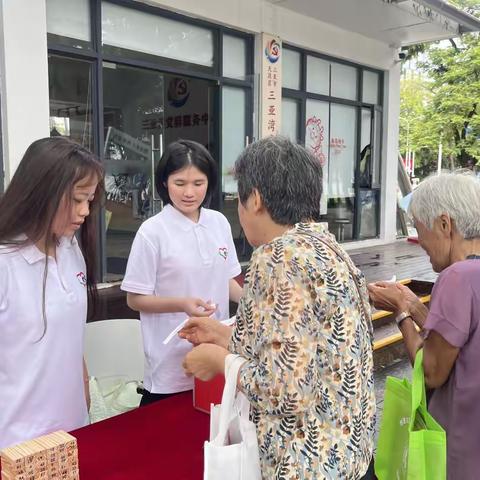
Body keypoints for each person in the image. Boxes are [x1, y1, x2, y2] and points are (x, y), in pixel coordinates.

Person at [181, 136, 376, 479]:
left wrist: (218, 361)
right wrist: (223, 336)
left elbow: (284, 390)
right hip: (349, 455)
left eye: (238, 200)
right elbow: (300, 347)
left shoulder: (278, 258)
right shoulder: (325, 245)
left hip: (307, 462)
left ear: (254, 199)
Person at [368, 171, 480, 480]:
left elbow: (431, 370)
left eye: (420, 230)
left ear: (445, 224)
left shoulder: (456, 277)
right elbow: (460, 339)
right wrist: (418, 308)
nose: (420, 244)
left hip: (458, 451)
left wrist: (401, 312)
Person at [0, 137, 104, 449]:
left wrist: (83, 385)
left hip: (73, 428)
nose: (85, 211)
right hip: (19, 439)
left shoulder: (70, 248)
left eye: (90, 199)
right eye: (76, 199)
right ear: (41, 192)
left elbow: (69, 333)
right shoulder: (5, 263)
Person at [121, 139, 242, 406]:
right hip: (170, 364)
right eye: (180, 183)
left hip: (216, 354)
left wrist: (252, 301)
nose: (189, 192)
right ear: (164, 182)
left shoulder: (219, 223)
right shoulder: (152, 232)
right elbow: (135, 299)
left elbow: (227, 280)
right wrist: (182, 304)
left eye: (198, 184)